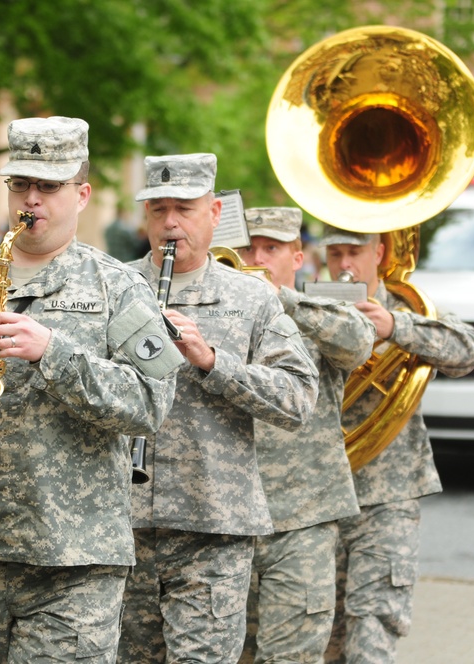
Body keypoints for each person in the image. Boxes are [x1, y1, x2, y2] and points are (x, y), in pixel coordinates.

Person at [0, 116, 184, 662]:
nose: (31, 200)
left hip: (74, 560)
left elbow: (152, 402)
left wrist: (55, 352)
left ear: (82, 195)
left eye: (49, 187)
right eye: (20, 185)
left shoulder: (119, 287)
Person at [118, 154, 320, 663]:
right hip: (120, 526)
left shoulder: (251, 298)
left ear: (213, 213)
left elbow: (298, 398)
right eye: (157, 209)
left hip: (212, 527)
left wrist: (213, 362)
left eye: (184, 208)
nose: (169, 222)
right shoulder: (112, 288)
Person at [319, 226, 474, 664]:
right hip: (320, 495)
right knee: (322, 638)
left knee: (372, 628)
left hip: (388, 496)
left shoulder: (407, 306)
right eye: (335, 254)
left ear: (380, 252)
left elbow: (466, 351)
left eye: (355, 252)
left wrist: (395, 327)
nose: (345, 264)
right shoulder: (311, 307)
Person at [236, 207, 374, 663]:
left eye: (271, 249)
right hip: (230, 518)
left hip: (304, 518)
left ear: (297, 258)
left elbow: (359, 340)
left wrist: (283, 300)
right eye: (248, 247)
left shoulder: (320, 314)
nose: (257, 258)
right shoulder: (220, 313)